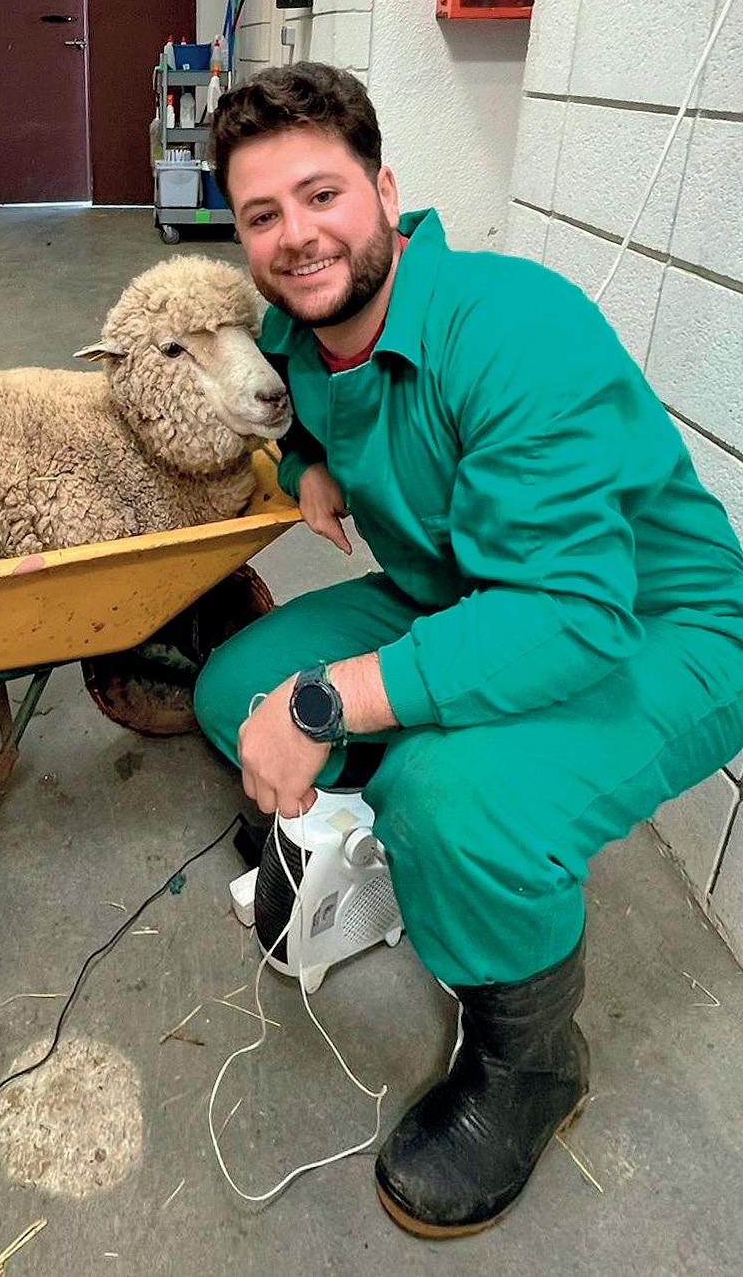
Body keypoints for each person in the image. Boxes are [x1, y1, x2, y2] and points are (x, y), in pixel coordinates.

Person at [194, 62, 743, 1238]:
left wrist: (332, 702)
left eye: (323, 194)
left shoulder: (510, 327)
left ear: (387, 193)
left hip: (652, 625)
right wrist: (304, 465)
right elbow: (294, 414)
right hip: (461, 594)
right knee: (237, 684)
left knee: (448, 799)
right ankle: (389, 835)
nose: (298, 236)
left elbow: (574, 614)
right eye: (263, 214)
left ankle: (534, 1066)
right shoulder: (300, 330)